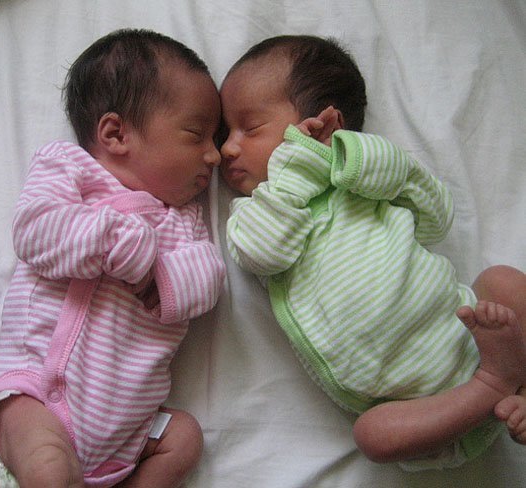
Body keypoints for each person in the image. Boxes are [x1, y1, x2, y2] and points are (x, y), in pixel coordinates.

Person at [220, 34, 526, 469]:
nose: (227, 148)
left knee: (503, 282)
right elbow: (265, 253)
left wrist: (352, 157)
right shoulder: (257, 212)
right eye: (225, 133)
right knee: (372, 436)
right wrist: (295, 173)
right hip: (417, 409)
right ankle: (493, 386)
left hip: (467, 332)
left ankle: (517, 385)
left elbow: (437, 219)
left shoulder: (365, 179)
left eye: (249, 128)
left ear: (325, 124)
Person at [0, 29, 226, 488]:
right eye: (196, 135)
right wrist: (114, 241)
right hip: (38, 395)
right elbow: (33, 230)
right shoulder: (69, 169)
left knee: (185, 437)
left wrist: (162, 279)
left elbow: (209, 277)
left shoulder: (184, 220)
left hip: (132, 427)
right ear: (116, 133)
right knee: (49, 465)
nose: (214, 155)